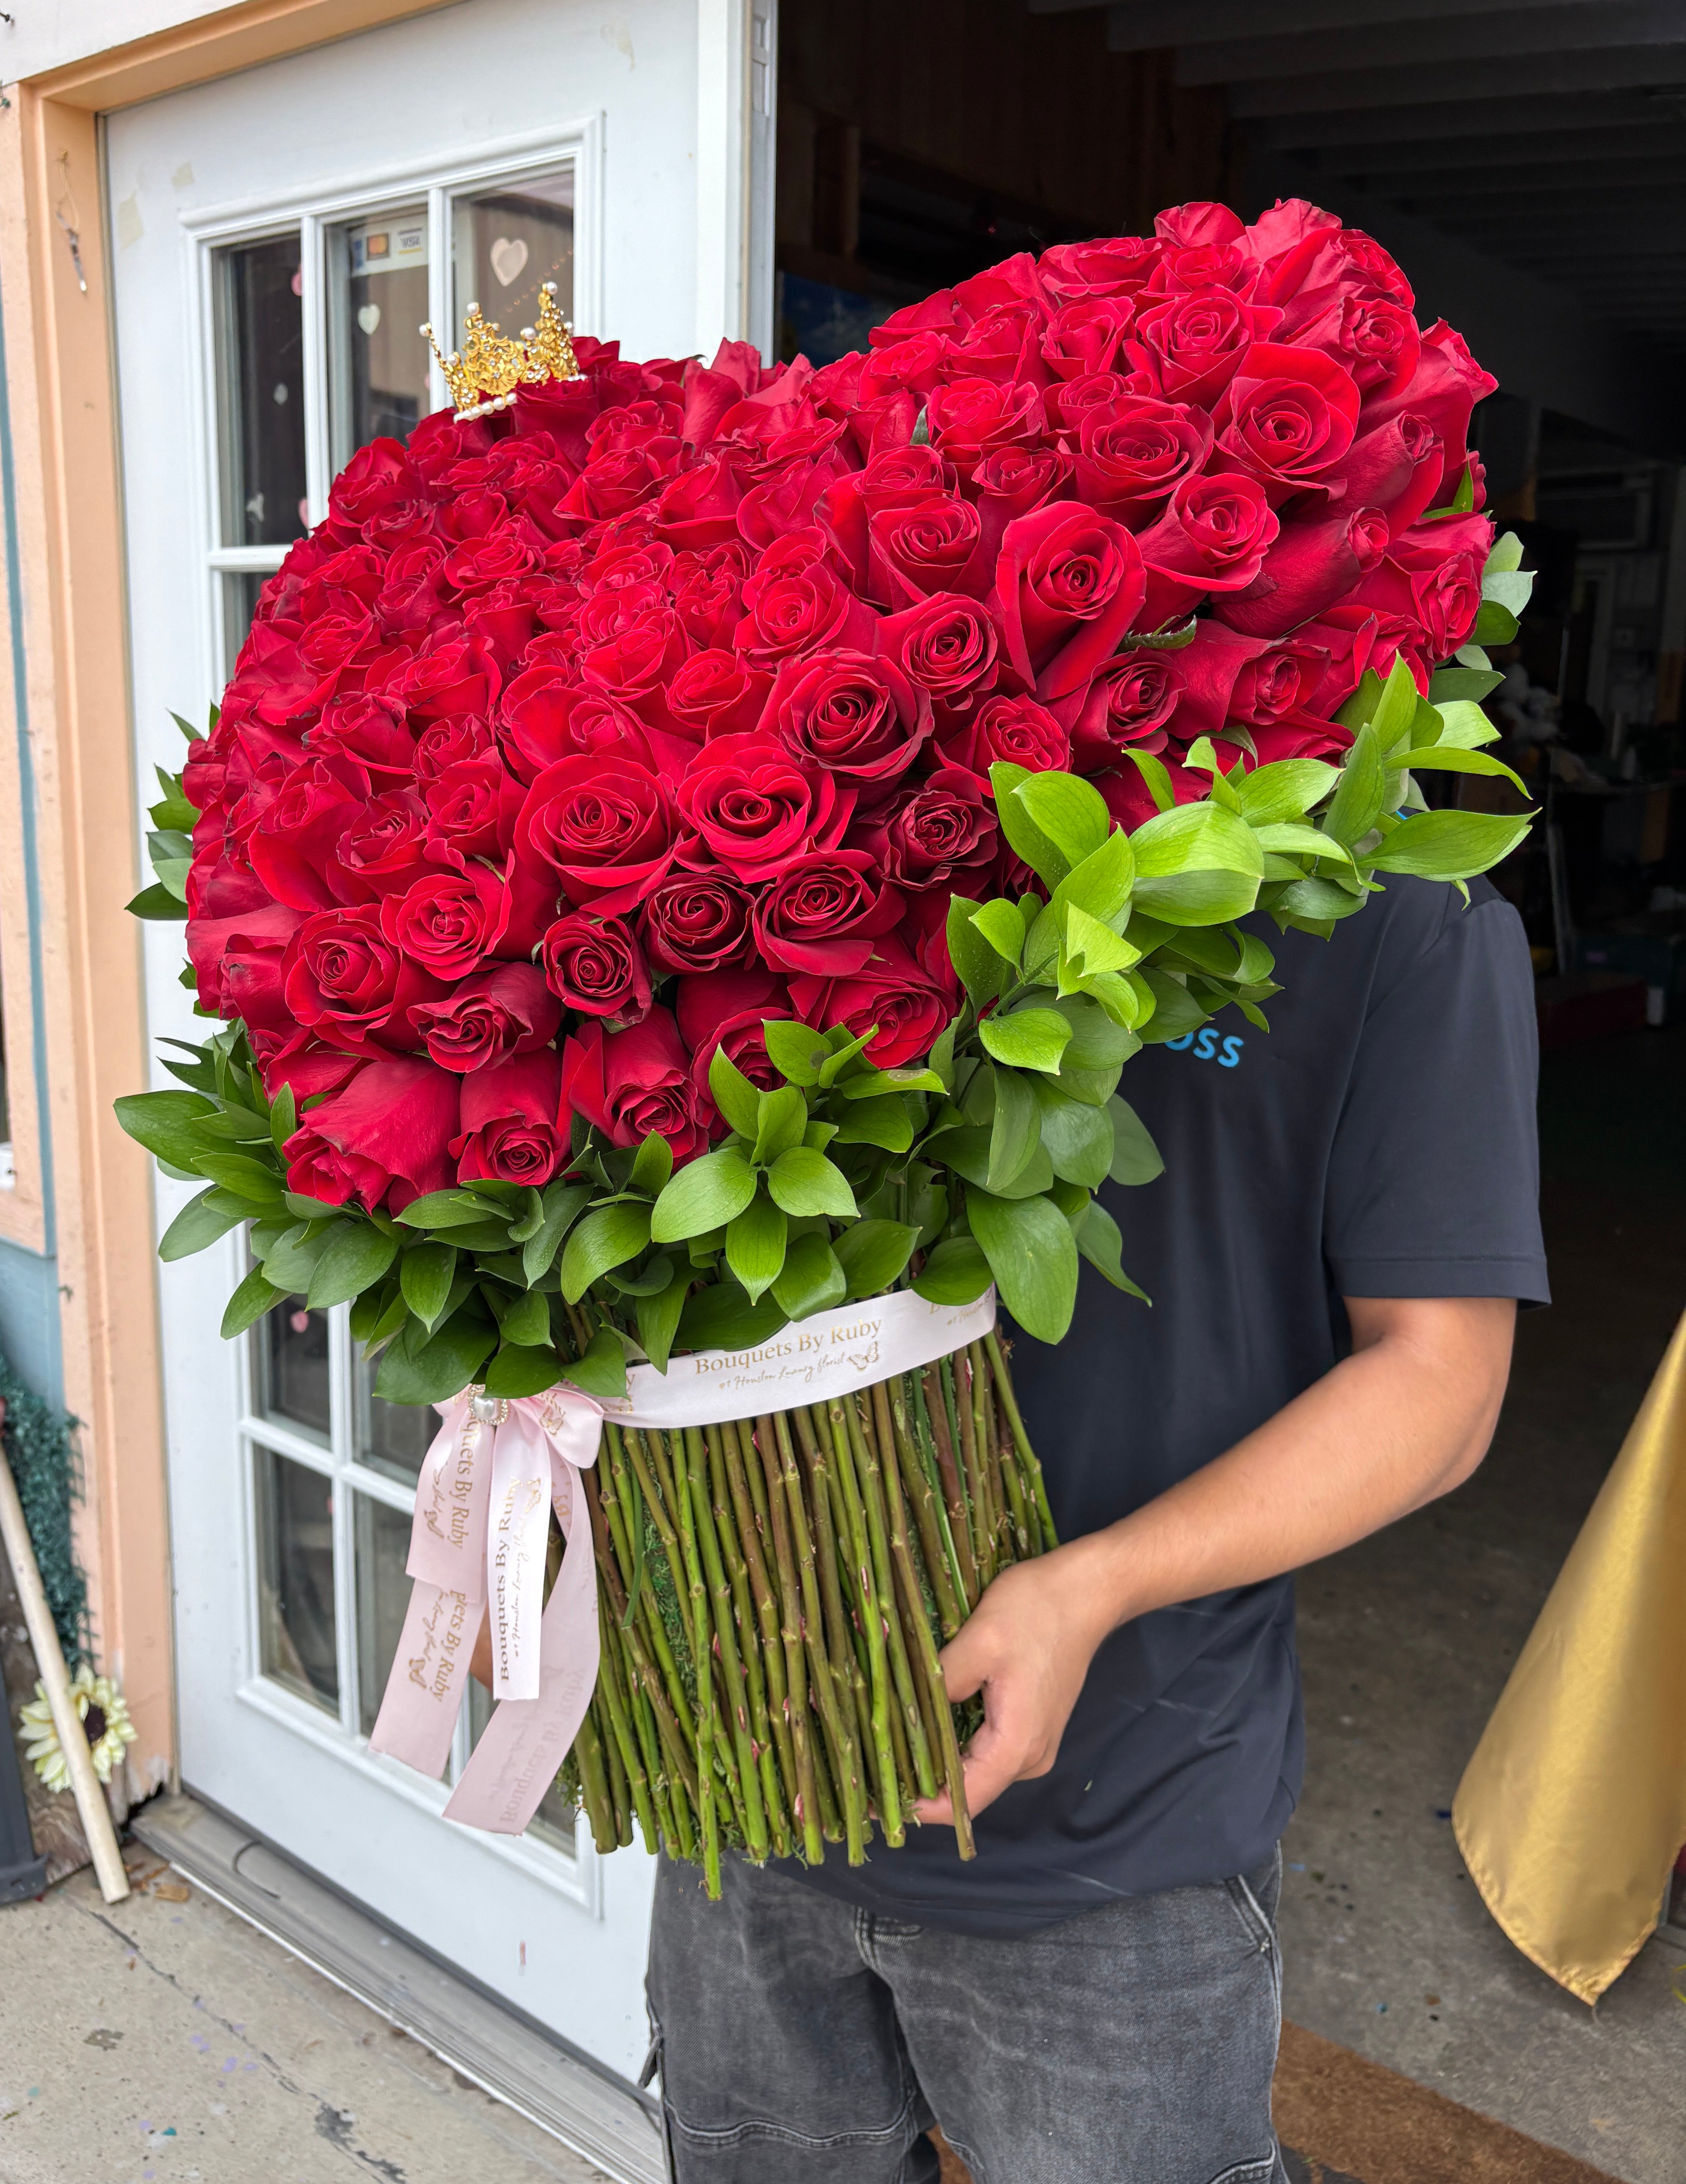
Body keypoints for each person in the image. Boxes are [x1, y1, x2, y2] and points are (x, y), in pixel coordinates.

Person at [645, 871, 1547, 2184]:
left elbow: (1440, 1381)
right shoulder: (845, 796)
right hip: (750, 1775)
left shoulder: (1398, 899)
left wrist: (1094, 1586)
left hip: (1119, 1827)